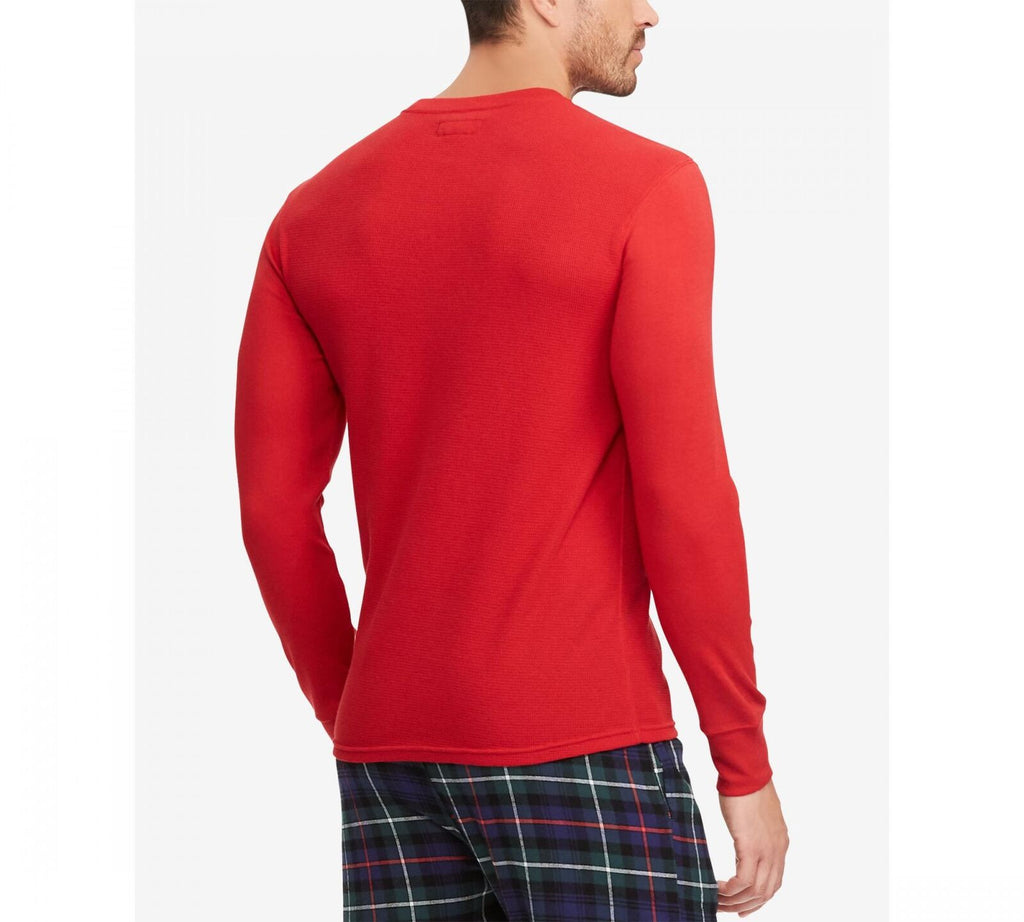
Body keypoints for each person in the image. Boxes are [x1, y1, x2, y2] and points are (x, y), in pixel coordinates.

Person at [234, 0, 789, 918]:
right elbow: (685, 498)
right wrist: (743, 759)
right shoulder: (646, 187)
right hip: (583, 740)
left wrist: (362, 714)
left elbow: (273, 515)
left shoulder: (313, 214)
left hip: (390, 759)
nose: (650, 12)